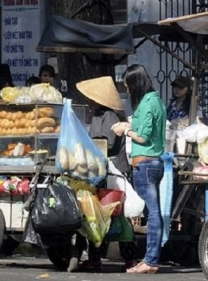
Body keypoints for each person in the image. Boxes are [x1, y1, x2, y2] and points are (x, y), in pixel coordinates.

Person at [76, 76, 138, 272]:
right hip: (100, 171)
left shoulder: (110, 116)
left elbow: (107, 143)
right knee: (97, 216)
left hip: (115, 172)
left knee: (119, 217)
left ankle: (130, 259)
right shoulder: (96, 114)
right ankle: (95, 258)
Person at [112, 64, 166, 274]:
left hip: (145, 164)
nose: (127, 90)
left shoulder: (146, 103)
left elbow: (142, 137)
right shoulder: (157, 101)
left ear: (136, 84)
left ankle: (151, 260)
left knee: (152, 213)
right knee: (154, 212)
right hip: (156, 162)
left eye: (128, 86)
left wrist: (125, 129)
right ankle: (150, 259)